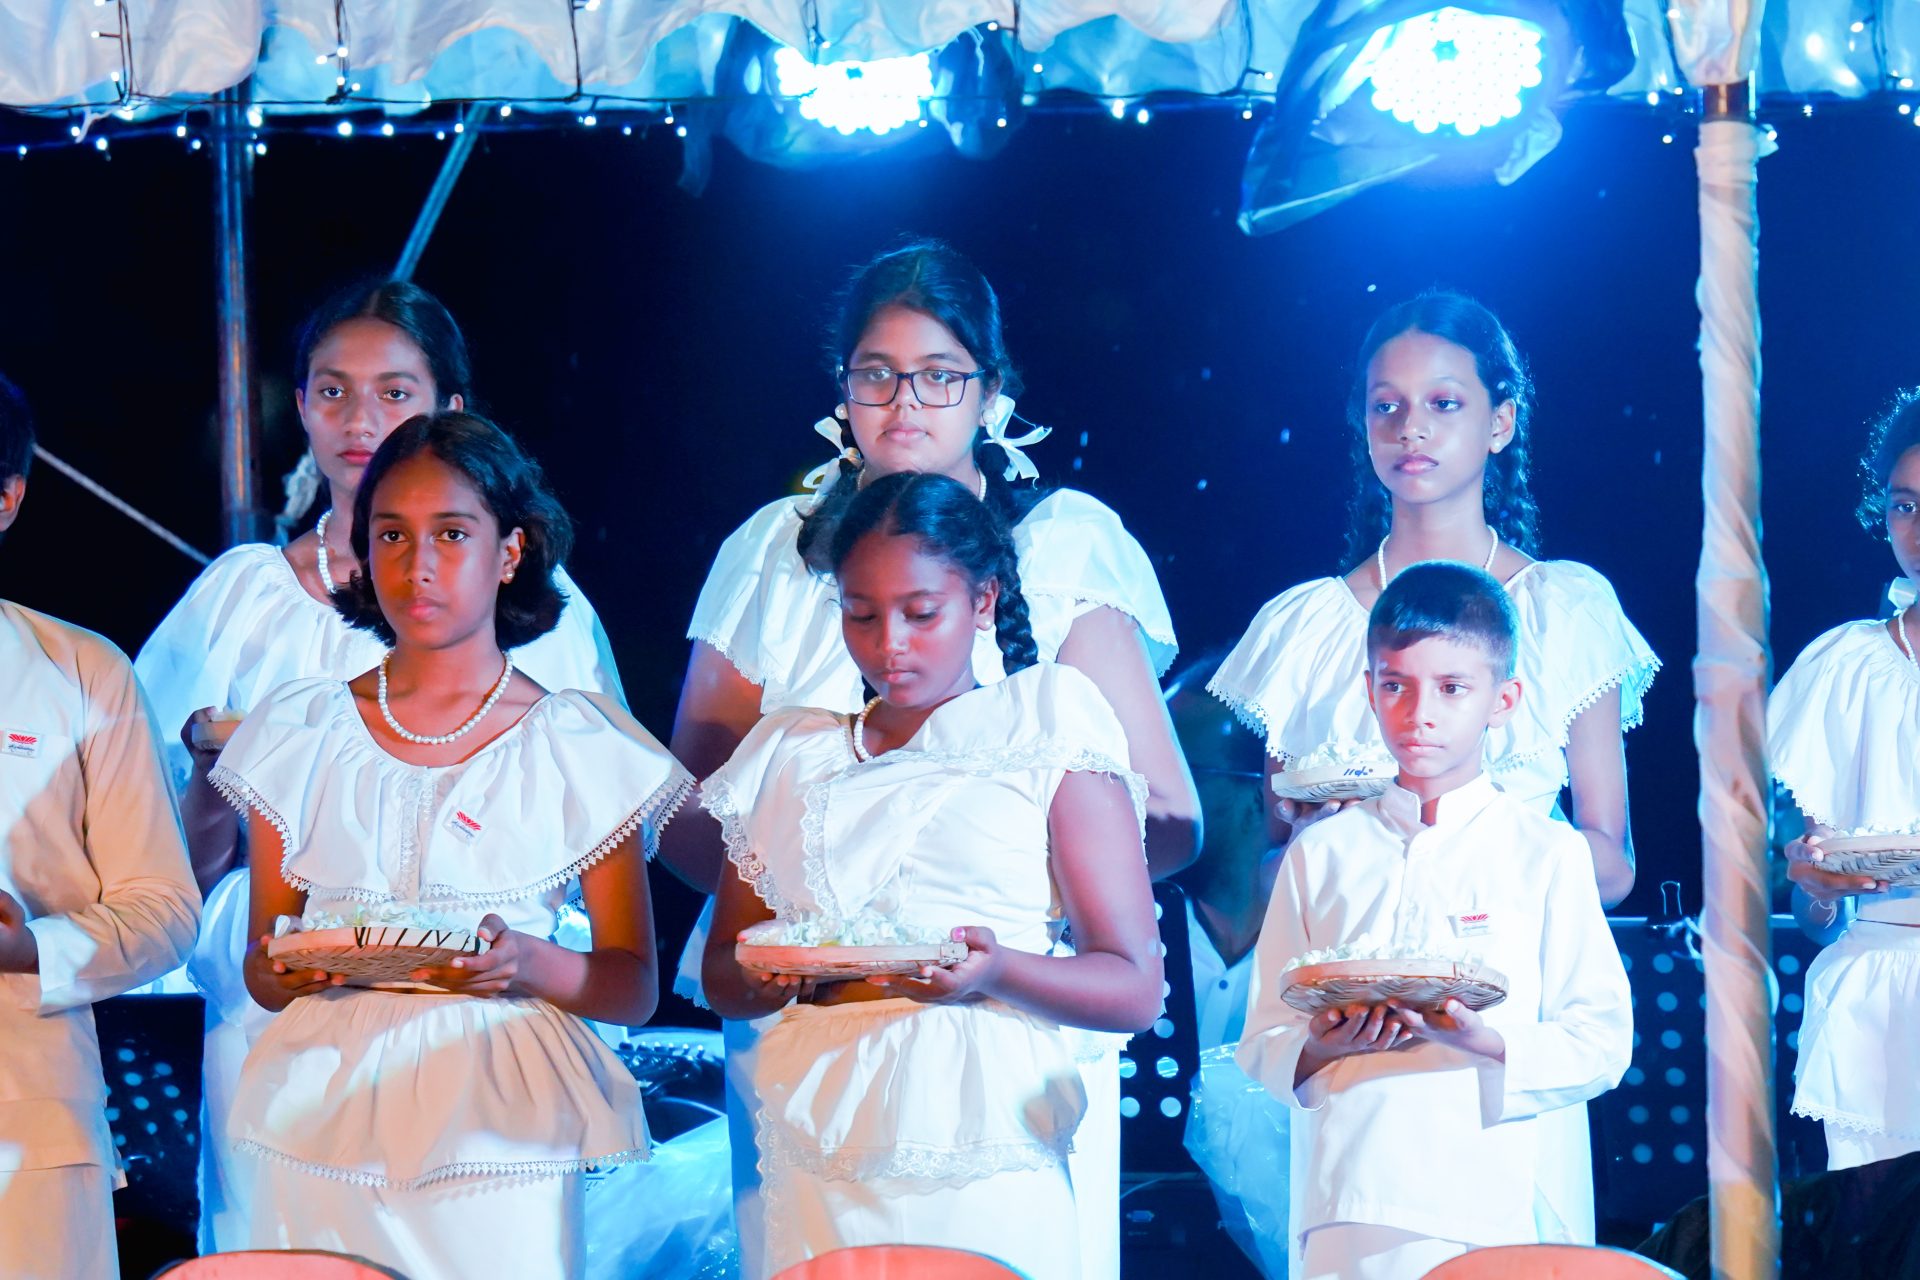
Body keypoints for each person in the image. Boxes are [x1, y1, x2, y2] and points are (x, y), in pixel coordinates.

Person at [666, 239, 1192, 1275]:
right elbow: (700, 811)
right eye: (876, 374)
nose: (906, 401)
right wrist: (818, 934)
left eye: (940, 374)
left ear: (992, 391)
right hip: (811, 1032)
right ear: (842, 388)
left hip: (1008, 1031)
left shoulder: (1059, 546)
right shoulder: (778, 548)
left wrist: (1013, 927)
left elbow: (1166, 815)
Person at [132, 279, 624, 1252]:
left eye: (394, 392)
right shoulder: (244, 597)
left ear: (451, 408)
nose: (361, 420)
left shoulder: (538, 605)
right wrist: (207, 772)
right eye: (331, 391)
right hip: (288, 1015)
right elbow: (157, 863)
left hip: (481, 1011)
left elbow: (596, 841)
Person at [1211, 291, 1654, 1244]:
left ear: (1501, 420)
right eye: (1387, 405)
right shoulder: (1308, 628)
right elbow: (1278, 876)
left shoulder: (1566, 610)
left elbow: (1610, 854)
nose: (1412, 428)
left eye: (1445, 403)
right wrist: (1324, 833)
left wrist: (1510, 868)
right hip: (1357, 1064)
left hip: (1501, 1039)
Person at [212, 412, 685, 1278]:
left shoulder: (577, 741)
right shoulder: (299, 727)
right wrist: (296, 966)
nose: (417, 565)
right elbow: (261, 965)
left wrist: (528, 964)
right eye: (391, 533)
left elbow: (632, 984)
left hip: (498, 1123)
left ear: (510, 551)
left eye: (452, 534)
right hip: (318, 1107)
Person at [701, 472, 1162, 1279]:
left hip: (986, 1123)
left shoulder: (1046, 720)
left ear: (983, 601)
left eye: (921, 614)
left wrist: (995, 971)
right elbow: (725, 973)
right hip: (821, 1119)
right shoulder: (790, 753)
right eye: (861, 614)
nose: (890, 646)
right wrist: (776, 971)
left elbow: (1133, 985)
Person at [1238, 561, 1632, 1280]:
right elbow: (1264, 1035)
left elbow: (1601, 1039)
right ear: (1369, 690)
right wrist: (1322, 1046)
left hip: (1496, 1194)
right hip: (1345, 1193)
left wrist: (1488, 1039)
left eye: (1452, 689)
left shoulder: (1545, 851)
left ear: (1503, 699)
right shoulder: (1320, 852)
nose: (1420, 713)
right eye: (1396, 686)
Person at [0, 373, 201, 1279]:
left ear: (8, 499)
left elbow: (165, 909)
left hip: (29, 1134)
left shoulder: (82, 672)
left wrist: (28, 948)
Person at [1775, 389, 1920, 1170]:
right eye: (1905, 505)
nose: (1919, 531)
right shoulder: (1846, 667)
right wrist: (1821, 886)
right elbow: (1814, 913)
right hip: (1874, 997)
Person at [1165, 654, 1290, 1278]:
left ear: (1258, 791)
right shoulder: (1119, 933)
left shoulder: (1329, 948)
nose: (1148, 796)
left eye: (1177, 775)